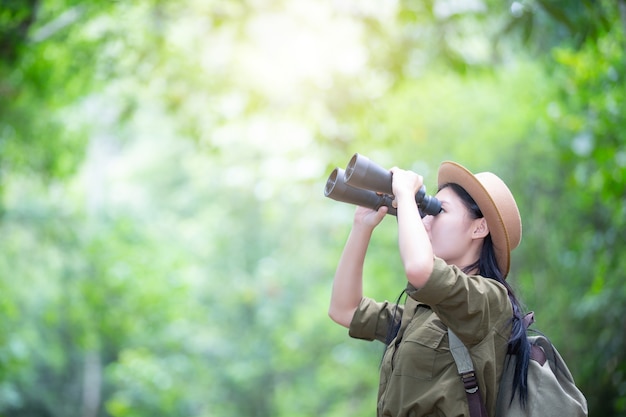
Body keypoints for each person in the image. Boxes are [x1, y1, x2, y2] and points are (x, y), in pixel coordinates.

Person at [328, 160, 530, 417]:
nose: (425, 222)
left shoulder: (490, 300)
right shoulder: (422, 312)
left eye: (438, 211)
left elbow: (419, 269)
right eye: (426, 211)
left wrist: (405, 196)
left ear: (479, 227)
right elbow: (345, 309)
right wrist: (362, 225)